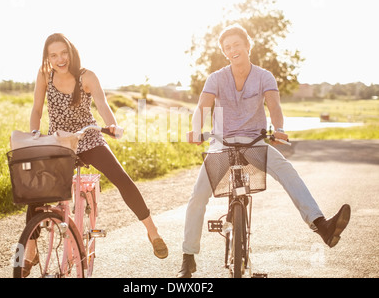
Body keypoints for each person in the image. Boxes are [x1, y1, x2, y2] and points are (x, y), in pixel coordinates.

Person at [176, 24, 351, 278]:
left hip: (255, 143)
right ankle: (188, 258)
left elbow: (274, 106)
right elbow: (202, 107)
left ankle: (321, 225)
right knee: (198, 196)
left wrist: (278, 128)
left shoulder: (264, 76)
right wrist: (195, 130)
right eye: (227, 48)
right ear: (225, 53)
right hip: (221, 145)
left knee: (286, 171)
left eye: (237, 45)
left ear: (248, 46)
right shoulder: (215, 78)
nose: (232, 50)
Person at [24, 33, 168, 277]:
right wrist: (35, 134)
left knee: (121, 179)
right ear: (47, 57)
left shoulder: (86, 76)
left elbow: (102, 105)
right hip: (59, 142)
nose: (60, 59)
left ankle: (152, 231)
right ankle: (30, 248)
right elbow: (37, 108)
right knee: (37, 189)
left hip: (88, 137)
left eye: (63, 53)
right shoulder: (43, 75)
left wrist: (112, 125)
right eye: (53, 55)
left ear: (71, 51)